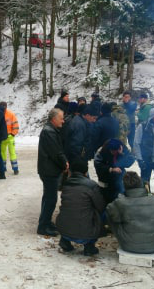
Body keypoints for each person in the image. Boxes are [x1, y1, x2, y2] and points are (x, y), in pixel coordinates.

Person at [106, 171, 154, 254]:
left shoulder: (120, 202)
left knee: (112, 214)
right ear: (141, 184)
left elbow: (109, 211)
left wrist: (120, 198)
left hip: (128, 245)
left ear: (124, 186)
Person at [56, 157, 106, 256]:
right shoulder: (91, 185)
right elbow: (101, 206)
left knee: (70, 209)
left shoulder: (66, 184)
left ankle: (65, 240)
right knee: (103, 212)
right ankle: (89, 246)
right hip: (85, 233)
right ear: (86, 171)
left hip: (64, 229)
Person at [37, 108, 69, 236]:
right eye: (61, 118)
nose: (63, 121)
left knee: (48, 198)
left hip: (49, 169)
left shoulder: (51, 130)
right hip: (49, 171)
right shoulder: (49, 132)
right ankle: (43, 226)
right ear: (54, 119)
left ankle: (46, 222)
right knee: (50, 199)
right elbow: (56, 153)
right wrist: (64, 163)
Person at [94, 139, 135, 203]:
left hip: (120, 180)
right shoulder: (101, 151)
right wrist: (110, 169)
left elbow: (130, 161)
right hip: (106, 181)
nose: (114, 153)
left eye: (115, 151)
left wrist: (122, 154)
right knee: (107, 200)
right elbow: (98, 165)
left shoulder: (123, 149)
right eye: (112, 151)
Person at [0, 101, 20, 175]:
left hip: (9, 137)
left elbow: (16, 125)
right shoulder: (8, 114)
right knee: (4, 153)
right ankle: (5, 168)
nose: (3, 108)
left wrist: (13, 134)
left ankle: (14, 169)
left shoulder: (10, 114)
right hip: (4, 137)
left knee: (10, 153)